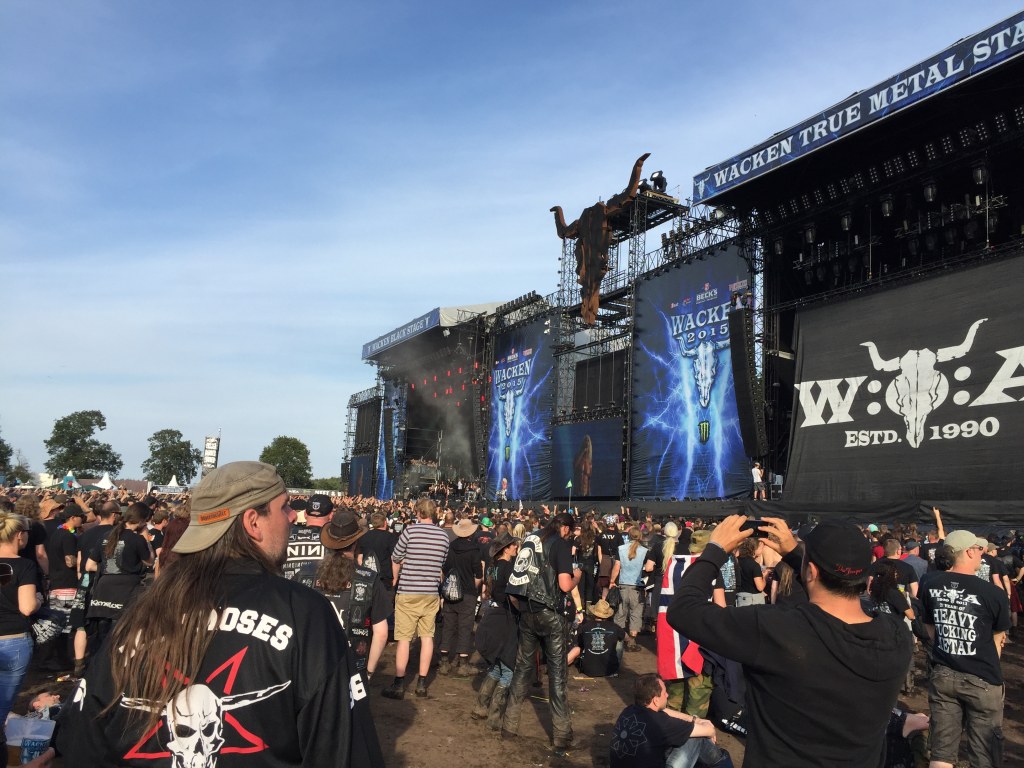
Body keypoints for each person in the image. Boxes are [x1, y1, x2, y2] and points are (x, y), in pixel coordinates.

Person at [53, 461, 383, 767]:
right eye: (284, 507)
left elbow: (82, 740)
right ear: (253, 522)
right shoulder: (304, 612)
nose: (293, 517)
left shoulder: (144, 607)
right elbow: (341, 749)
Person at [667, 515, 913, 766]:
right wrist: (798, 557)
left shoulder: (776, 629)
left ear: (811, 571)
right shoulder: (897, 636)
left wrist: (715, 551)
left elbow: (682, 610)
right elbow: (833, 594)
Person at [919, 530, 1010, 768]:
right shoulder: (993, 593)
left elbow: (930, 629)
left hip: (943, 673)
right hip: (982, 678)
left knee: (941, 753)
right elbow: (998, 638)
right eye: (979, 549)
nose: (981, 554)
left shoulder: (929, 583)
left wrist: (950, 642)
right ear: (969, 552)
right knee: (984, 755)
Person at [502, 512, 582, 752]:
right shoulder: (560, 544)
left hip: (527, 611)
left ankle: (509, 726)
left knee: (522, 669)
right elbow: (565, 585)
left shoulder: (531, 538)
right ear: (565, 528)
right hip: (550, 613)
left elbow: (517, 579)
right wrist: (577, 576)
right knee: (557, 674)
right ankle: (561, 735)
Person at [383, 498, 450, 700]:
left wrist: (400, 570)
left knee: (404, 639)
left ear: (419, 513)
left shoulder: (410, 531)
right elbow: (442, 562)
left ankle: (399, 683)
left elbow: (396, 557)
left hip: (408, 591)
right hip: (430, 592)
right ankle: (422, 683)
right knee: (427, 637)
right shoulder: (443, 536)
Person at [309, 509, 389, 678]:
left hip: (313, 665)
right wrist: (368, 673)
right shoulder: (371, 579)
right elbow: (381, 634)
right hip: (353, 670)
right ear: (355, 543)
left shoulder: (306, 574)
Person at [609, 673, 731, 768]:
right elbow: (709, 731)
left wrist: (694, 719)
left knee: (679, 738)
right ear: (656, 700)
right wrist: (704, 724)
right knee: (695, 737)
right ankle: (724, 763)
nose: (667, 695)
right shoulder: (662, 724)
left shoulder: (628, 711)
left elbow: (665, 711)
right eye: (664, 693)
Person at [0, 513, 41, 753]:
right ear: (19, 535)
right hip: (13, 640)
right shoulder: (24, 565)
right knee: (2, 708)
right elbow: (27, 607)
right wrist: (38, 600)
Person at [473, 531, 520, 729]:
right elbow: (513, 596)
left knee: (497, 666)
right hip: (506, 619)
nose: (516, 547)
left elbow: (488, 592)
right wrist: (523, 610)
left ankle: (480, 707)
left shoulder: (492, 567)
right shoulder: (509, 568)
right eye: (513, 545)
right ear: (506, 549)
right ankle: (494, 716)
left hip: (493, 616)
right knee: (508, 667)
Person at [438, 518, 483, 677]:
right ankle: (463, 664)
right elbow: (479, 575)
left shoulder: (450, 548)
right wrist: (472, 586)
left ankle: (444, 662)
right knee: (465, 627)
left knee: (448, 626)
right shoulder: (474, 550)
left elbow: (444, 570)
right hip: (468, 593)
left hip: (450, 592)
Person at [613, 526, 655, 651]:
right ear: (640, 536)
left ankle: (619, 640)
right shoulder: (645, 551)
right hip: (637, 586)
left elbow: (617, 566)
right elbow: (648, 568)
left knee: (621, 613)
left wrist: (611, 581)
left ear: (629, 536)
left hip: (623, 585)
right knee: (635, 614)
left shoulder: (621, 549)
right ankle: (632, 641)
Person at [283, 493, 333, 580]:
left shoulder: (284, 536)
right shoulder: (334, 541)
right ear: (331, 516)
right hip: (316, 588)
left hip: (284, 586)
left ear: (305, 514)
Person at [576, 599, 625, 677]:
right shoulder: (614, 627)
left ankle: (590, 661)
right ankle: (615, 668)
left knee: (583, 639)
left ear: (594, 613)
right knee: (620, 637)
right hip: (609, 671)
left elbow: (580, 643)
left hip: (588, 670)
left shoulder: (585, 626)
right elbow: (625, 636)